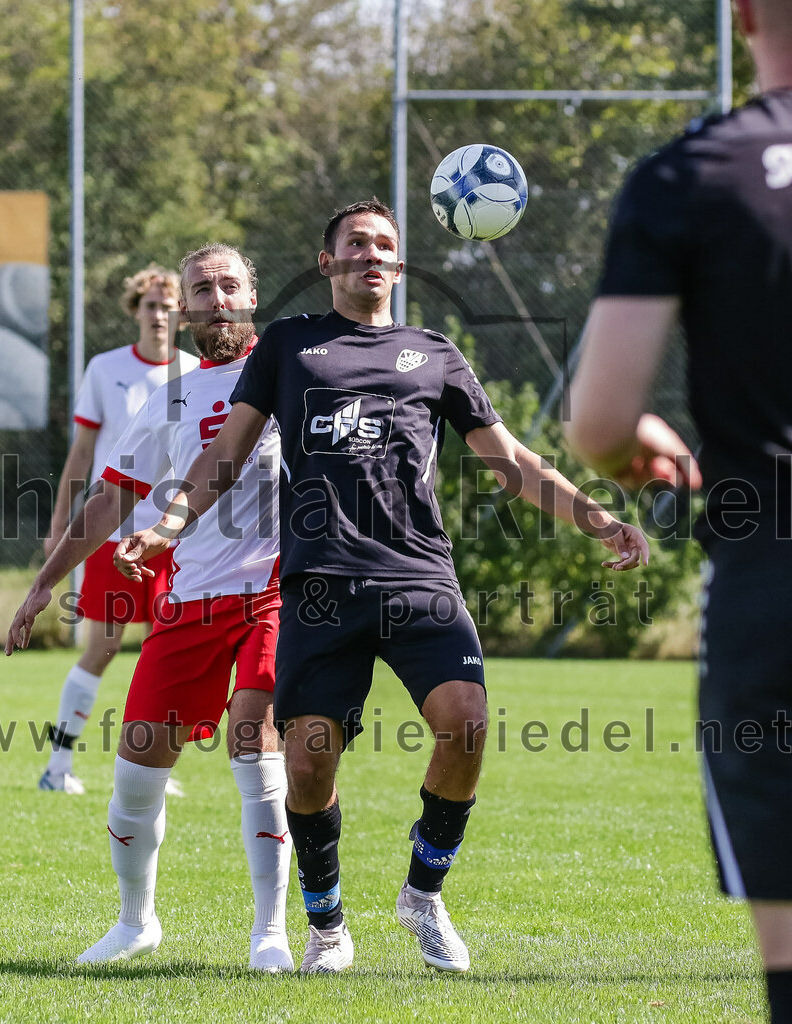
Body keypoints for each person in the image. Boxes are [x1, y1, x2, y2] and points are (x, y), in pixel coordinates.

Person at [116, 199, 649, 974]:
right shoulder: (290, 348)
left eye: (386, 245)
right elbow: (223, 456)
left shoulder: (433, 353)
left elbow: (512, 462)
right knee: (305, 764)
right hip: (320, 586)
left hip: (417, 574)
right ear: (326, 262)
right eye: (355, 243)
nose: (371, 253)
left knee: (465, 724)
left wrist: (596, 516)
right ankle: (326, 925)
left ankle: (423, 892)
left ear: (398, 266)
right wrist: (167, 526)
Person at [565, 3, 792, 1019]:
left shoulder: (690, 174)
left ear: (741, 14)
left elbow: (600, 420)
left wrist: (637, 448)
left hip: (771, 576)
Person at [6, 243, 293, 973]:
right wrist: (45, 581)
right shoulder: (171, 395)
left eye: (230, 284)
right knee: (136, 771)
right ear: (187, 307)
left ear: (251, 295)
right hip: (190, 599)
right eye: (204, 288)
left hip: (276, 593)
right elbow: (109, 497)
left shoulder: (297, 375)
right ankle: (136, 924)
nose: (217, 298)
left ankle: (270, 935)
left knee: (252, 738)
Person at [40, 264, 199, 794]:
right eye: (150, 305)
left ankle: (156, 772)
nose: (159, 314)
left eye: (169, 305)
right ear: (137, 310)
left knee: (166, 652)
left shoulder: (198, 371)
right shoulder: (105, 370)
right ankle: (58, 768)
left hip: (174, 540)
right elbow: (82, 453)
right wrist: (62, 524)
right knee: (102, 648)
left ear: (181, 313)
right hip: (112, 536)